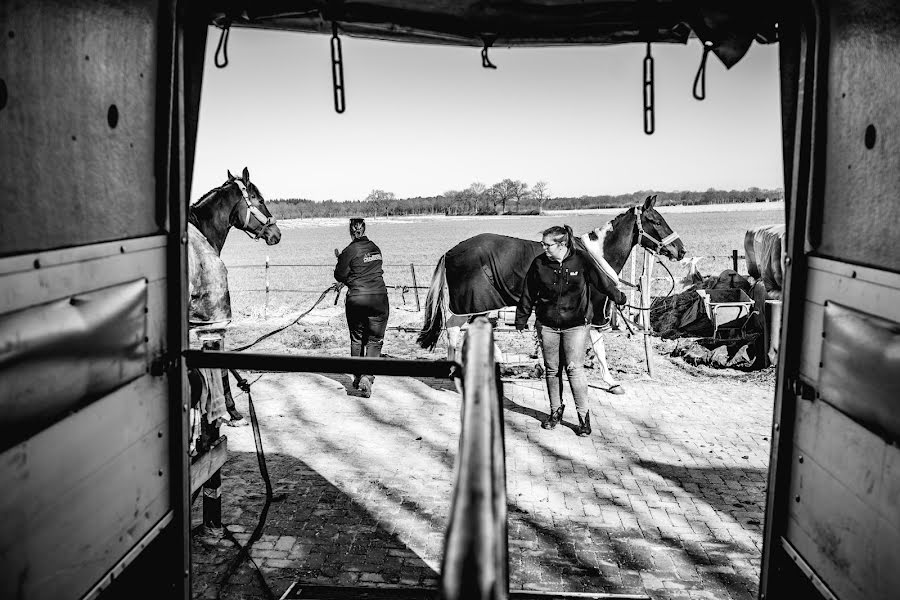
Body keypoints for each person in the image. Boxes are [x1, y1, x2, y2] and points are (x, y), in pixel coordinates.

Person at [515, 225, 627, 436]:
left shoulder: (582, 260)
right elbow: (528, 292)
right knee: (552, 369)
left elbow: (602, 283)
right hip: (548, 325)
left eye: (547, 245)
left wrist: (618, 297)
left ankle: (583, 417)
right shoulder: (539, 264)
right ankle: (555, 411)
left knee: (574, 369)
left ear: (562, 244)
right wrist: (521, 318)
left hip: (576, 325)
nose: (543, 248)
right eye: (543, 244)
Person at [334, 218, 389, 398]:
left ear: (350, 231)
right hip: (379, 299)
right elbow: (372, 270)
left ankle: (357, 376)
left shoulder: (349, 250)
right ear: (364, 229)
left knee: (357, 338)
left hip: (357, 299)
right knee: (375, 340)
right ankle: (368, 377)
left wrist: (346, 272)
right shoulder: (376, 248)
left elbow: (339, 274)